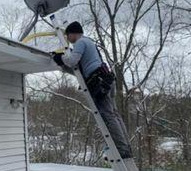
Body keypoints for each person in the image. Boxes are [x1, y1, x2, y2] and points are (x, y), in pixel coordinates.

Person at [51, 21, 133, 159]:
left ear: (73, 34)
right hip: (106, 80)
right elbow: (80, 68)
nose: (68, 40)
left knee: (108, 116)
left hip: (100, 82)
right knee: (114, 114)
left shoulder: (81, 43)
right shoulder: (89, 44)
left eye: (68, 36)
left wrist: (60, 57)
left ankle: (121, 149)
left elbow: (71, 61)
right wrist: (64, 63)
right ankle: (126, 147)